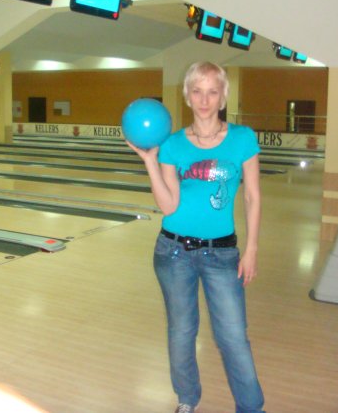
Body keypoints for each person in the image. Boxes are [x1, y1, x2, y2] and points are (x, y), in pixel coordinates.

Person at [127, 61, 265, 413]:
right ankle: (187, 399)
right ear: (187, 96)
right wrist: (150, 161)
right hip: (173, 251)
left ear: (223, 97)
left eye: (212, 92)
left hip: (222, 253)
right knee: (181, 332)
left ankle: (251, 407)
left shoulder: (243, 139)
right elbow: (169, 205)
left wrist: (251, 249)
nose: (204, 100)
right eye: (197, 91)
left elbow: (252, 196)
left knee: (233, 337)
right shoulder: (172, 145)